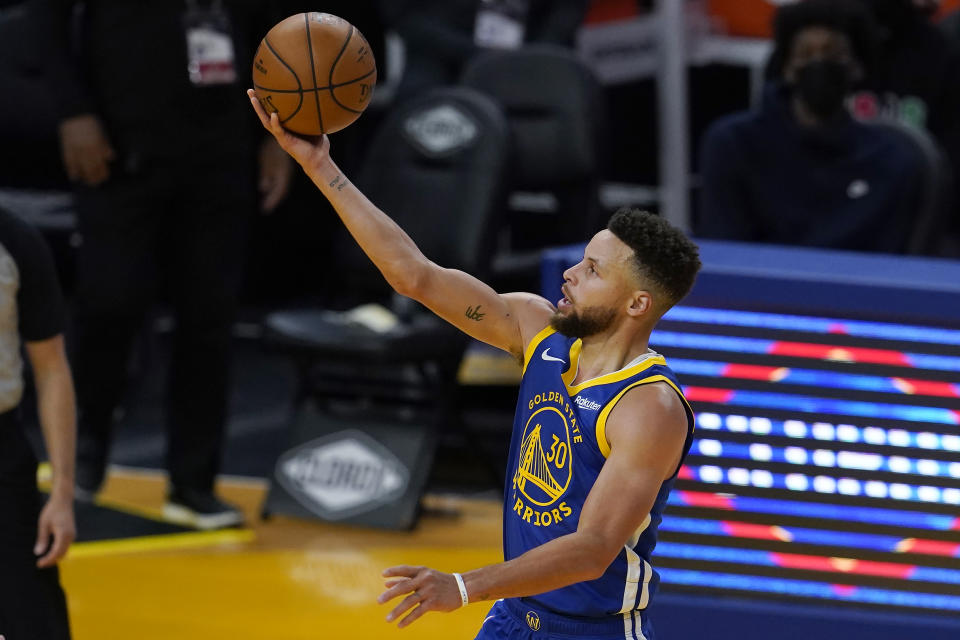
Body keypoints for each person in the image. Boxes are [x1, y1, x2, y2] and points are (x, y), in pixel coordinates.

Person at [248, 89, 701, 639]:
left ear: (637, 305)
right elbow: (414, 276)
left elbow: (592, 550)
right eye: (581, 260)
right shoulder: (541, 333)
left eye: (593, 271)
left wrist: (464, 587)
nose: (571, 275)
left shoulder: (647, 408)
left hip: (592, 631)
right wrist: (320, 165)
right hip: (512, 620)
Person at [33, 0, 295, 529]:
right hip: (120, 143)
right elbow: (46, 23)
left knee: (210, 317)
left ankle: (193, 483)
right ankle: (81, 457)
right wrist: (72, 112)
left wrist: (276, 131)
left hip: (220, 147)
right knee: (111, 303)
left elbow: (274, 27)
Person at [696, 0, 926, 252]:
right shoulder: (735, 144)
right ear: (786, 67)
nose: (819, 64)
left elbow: (891, 266)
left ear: (857, 67)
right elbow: (725, 252)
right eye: (805, 54)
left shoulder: (893, 162)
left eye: (834, 54)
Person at [0, 205, 75, 640]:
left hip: (3, 455)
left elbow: (52, 370)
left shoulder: (17, 241)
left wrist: (62, 493)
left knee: (35, 622)